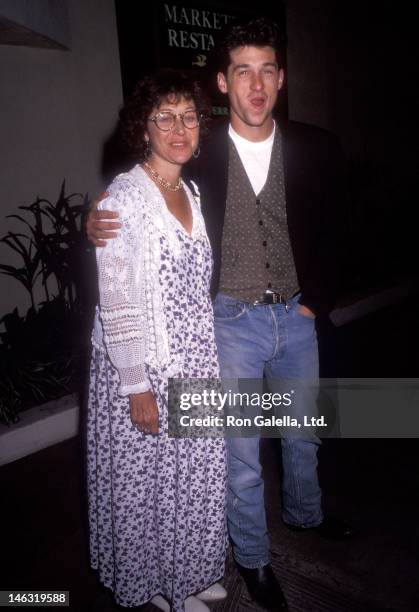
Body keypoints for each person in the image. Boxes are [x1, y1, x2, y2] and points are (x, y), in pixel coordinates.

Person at [87, 17, 352, 612]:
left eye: (266, 71)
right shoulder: (198, 150)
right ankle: (254, 561)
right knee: (241, 455)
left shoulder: (318, 146)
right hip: (228, 323)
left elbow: (342, 227)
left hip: (297, 316)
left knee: (305, 441)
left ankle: (307, 517)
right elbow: (139, 189)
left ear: (280, 79)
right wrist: (94, 215)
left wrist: (318, 301)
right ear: (224, 82)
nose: (255, 86)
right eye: (242, 72)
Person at [86, 69, 228, 612]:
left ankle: (189, 572)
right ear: (142, 128)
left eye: (188, 116)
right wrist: (135, 385)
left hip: (194, 360)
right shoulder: (125, 197)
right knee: (153, 491)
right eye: (163, 116)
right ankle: (163, 587)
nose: (178, 127)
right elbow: (117, 299)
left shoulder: (187, 188)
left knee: (193, 479)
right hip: (147, 366)